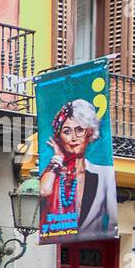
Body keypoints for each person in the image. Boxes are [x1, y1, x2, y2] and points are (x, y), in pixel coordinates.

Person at [39, 98, 111, 237]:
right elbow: (44, 191)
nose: (73, 138)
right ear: (59, 137)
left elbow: (111, 221)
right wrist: (56, 159)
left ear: (89, 132)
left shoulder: (104, 175)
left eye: (79, 130)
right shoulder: (54, 172)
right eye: (66, 131)